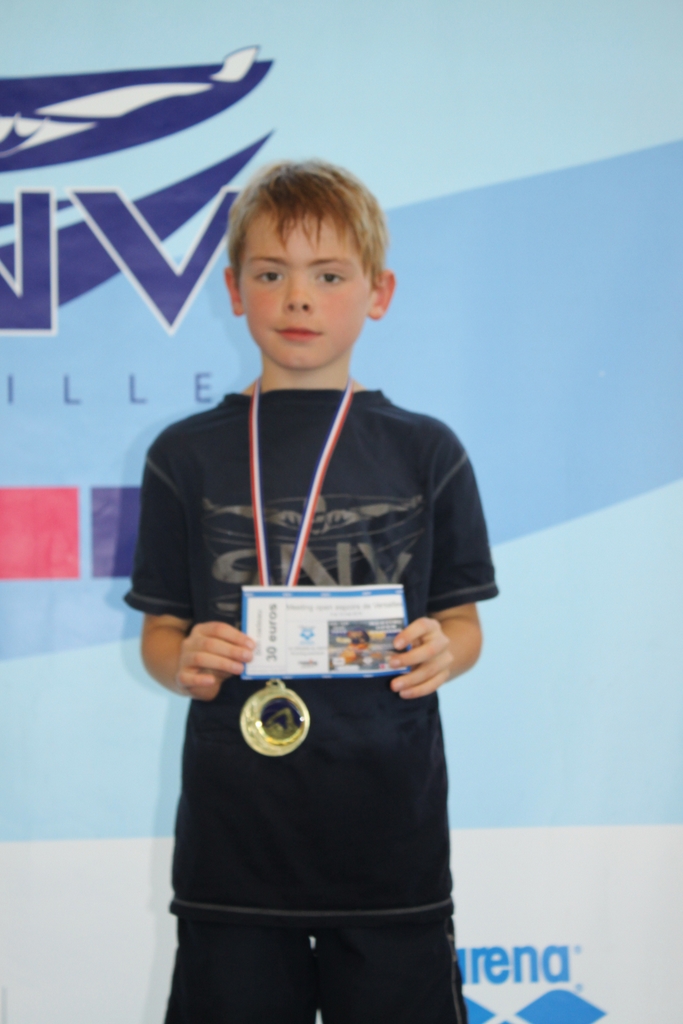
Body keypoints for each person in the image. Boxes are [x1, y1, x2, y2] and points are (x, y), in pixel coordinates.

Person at [125, 160, 498, 1024]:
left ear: (378, 293)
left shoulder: (426, 451)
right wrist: (183, 660)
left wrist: (444, 650)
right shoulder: (183, 454)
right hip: (235, 845)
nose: (297, 298)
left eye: (328, 276)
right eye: (270, 274)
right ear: (233, 290)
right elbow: (161, 634)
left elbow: (462, 622)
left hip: (389, 841)